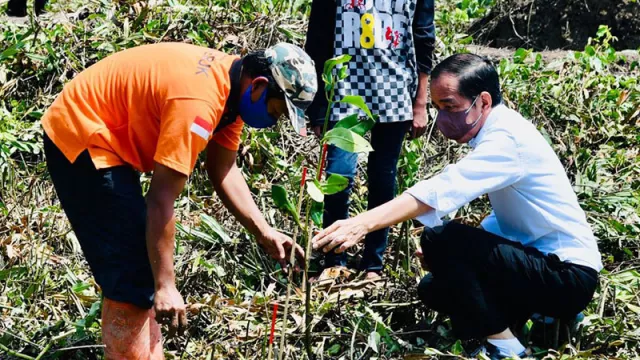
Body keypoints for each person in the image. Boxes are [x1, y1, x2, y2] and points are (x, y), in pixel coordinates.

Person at [311, 53, 602, 359]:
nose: (443, 118)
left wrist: (363, 223)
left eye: (449, 106)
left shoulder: (506, 140)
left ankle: (508, 348)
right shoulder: (501, 132)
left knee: (438, 236)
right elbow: (506, 218)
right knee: (434, 287)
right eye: (437, 108)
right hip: (543, 267)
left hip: (567, 276)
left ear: (484, 102)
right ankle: (546, 319)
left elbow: (441, 189)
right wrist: (455, 256)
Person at [42, 42, 317, 359]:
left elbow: (223, 167)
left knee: (142, 266)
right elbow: (160, 199)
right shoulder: (199, 103)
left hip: (108, 137)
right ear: (259, 86)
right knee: (131, 278)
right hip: (83, 132)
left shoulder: (233, 89)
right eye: (275, 112)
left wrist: (264, 231)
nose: (273, 121)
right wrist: (166, 285)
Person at [304, 0, 436, 279]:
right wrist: (318, 107)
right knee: (338, 176)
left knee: (383, 178)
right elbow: (317, 37)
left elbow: (423, 37)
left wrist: (421, 102)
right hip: (343, 91)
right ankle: (334, 259)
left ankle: (372, 264)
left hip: (396, 91)